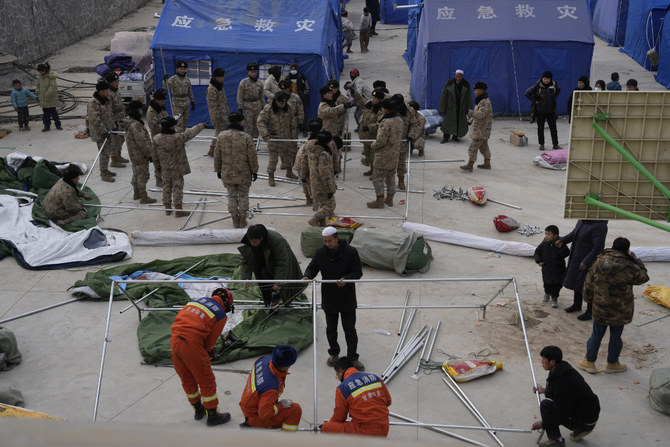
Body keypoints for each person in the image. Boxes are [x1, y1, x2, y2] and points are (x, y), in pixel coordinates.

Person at [577, 238, 649, 375]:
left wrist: (588, 299)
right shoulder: (629, 266)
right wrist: (637, 261)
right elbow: (643, 277)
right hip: (621, 309)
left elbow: (589, 282)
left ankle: (589, 362)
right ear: (627, 250)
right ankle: (612, 363)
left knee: (596, 335)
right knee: (616, 337)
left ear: (612, 247)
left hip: (600, 306)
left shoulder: (599, 262)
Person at [170, 288, 234, 426]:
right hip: (192, 344)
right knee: (206, 380)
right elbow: (210, 343)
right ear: (227, 304)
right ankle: (212, 415)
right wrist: (210, 350)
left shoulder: (194, 301)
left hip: (175, 341)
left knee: (187, 378)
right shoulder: (220, 314)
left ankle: (198, 410)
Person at [303, 226, 364, 368]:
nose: (327, 244)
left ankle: (352, 357)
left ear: (337, 238)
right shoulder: (320, 253)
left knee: (350, 329)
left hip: (346, 296)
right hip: (329, 297)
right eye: (324, 241)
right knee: (331, 328)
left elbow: (357, 272)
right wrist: (307, 275)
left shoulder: (350, 252)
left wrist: (346, 279)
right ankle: (334, 353)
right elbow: (313, 267)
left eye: (330, 241)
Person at [531, 346, 600, 447]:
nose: (541, 361)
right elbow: (560, 395)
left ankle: (556, 440)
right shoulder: (563, 369)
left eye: (544, 359)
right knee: (553, 406)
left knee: (546, 406)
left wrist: (543, 424)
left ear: (552, 362)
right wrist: (544, 391)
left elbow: (561, 414)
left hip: (585, 419)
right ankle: (582, 429)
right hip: (590, 414)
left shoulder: (562, 382)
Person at [237, 224, 304, 308]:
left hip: (277, 263)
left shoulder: (276, 241)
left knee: (267, 276)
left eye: (254, 242)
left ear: (261, 238)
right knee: (262, 277)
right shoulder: (250, 240)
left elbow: (282, 263)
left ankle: (275, 296)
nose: (252, 244)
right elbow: (246, 260)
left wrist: (278, 283)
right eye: (250, 241)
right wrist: (246, 277)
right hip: (263, 262)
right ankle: (268, 299)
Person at [321, 357, 391, 436]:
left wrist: (329, 423)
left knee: (327, 427)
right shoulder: (375, 378)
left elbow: (339, 418)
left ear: (340, 371)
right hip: (384, 428)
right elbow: (388, 401)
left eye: (337, 375)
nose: (338, 378)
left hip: (364, 432)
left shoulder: (343, 388)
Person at [239, 345, 302, 431]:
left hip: (249, 406)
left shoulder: (263, 360)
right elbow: (264, 414)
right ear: (284, 367)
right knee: (295, 410)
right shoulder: (271, 388)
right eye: (289, 365)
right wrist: (280, 405)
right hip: (255, 417)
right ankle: (285, 441)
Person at [556, 220, 608, 320]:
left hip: (586, 260)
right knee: (577, 282)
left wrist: (587, 262)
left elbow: (598, 247)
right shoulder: (583, 221)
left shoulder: (600, 225)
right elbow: (574, 233)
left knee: (588, 286)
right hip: (577, 257)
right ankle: (577, 304)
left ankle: (589, 311)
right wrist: (563, 240)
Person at [153, 116, 205, 217]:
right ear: (171, 127)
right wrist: (201, 125)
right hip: (177, 168)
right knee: (177, 188)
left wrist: (157, 166)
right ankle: (179, 210)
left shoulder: (157, 138)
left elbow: (154, 154)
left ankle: (167, 208)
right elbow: (190, 133)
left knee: (166, 187)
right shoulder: (177, 138)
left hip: (165, 168)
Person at [213, 112, 258, 228]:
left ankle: (234, 219)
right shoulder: (246, 137)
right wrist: (254, 170)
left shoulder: (221, 136)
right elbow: (252, 156)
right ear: (241, 122)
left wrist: (217, 169)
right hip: (244, 173)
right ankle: (242, 219)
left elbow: (217, 154)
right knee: (243, 196)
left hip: (227, 172)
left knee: (231, 196)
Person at [368, 98, 403, 208]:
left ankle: (379, 200)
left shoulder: (386, 122)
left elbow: (381, 140)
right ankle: (389, 199)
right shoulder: (399, 120)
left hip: (383, 154)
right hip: (395, 153)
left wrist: (373, 146)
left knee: (377, 177)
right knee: (391, 177)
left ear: (386, 110)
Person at [257, 91, 298, 185]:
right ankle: (271, 176)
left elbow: (292, 123)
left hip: (286, 137)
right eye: (280, 103)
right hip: (273, 138)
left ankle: (289, 172)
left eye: (284, 102)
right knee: (273, 159)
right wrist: (265, 134)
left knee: (289, 156)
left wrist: (293, 137)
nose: (282, 105)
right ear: (276, 101)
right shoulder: (268, 109)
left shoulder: (289, 107)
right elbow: (261, 122)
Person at [123, 100, 157, 204]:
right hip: (140, 155)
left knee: (136, 173)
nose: (142, 111)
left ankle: (136, 192)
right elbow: (142, 142)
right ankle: (143, 196)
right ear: (137, 110)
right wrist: (150, 154)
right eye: (141, 109)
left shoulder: (129, 121)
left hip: (134, 154)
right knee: (143, 175)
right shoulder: (136, 126)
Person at [305, 131, 337, 227]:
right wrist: (330, 189)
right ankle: (314, 219)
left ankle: (322, 224)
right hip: (322, 185)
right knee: (330, 206)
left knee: (322, 205)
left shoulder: (312, 149)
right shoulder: (323, 155)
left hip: (314, 182)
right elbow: (325, 174)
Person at [534, 225, 570, 308]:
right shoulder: (544, 244)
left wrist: (560, 248)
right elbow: (537, 252)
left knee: (557, 285)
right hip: (547, 269)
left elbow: (566, 253)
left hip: (558, 270)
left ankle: (554, 298)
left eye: (549, 234)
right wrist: (539, 260)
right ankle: (547, 293)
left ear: (555, 235)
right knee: (547, 284)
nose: (546, 236)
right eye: (545, 234)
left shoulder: (560, 243)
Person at [87, 80, 115, 182]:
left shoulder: (105, 99)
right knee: (104, 153)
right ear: (101, 91)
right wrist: (104, 131)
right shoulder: (93, 103)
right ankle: (103, 173)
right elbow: (95, 119)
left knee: (107, 152)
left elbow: (109, 114)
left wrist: (113, 126)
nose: (108, 91)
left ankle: (106, 169)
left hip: (108, 130)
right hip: (100, 133)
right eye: (106, 89)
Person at [461, 81, 493, 171]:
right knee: (483, 146)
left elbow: (481, 115)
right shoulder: (481, 100)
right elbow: (478, 114)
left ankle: (470, 165)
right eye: (475, 90)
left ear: (482, 90)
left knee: (472, 147)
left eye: (477, 90)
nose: (475, 92)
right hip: (481, 128)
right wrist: (470, 121)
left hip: (481, 130)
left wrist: (469, 112)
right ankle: (487, 163)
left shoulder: (484, 102)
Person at [525, 71, 561, 150]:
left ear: (550, 79)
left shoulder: (554, 86)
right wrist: (535, 101)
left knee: (553, 128)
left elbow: (558, 92)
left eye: (547, 79)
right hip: (540, 111)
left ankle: (555, 144)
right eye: (544, 78)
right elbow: (527, 93)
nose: (545, 80)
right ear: (542, 78)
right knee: (540, 128)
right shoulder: (538, 86)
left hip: (551, 111)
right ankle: (541, 144)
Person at [439, 69, 472, 143]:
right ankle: (446, 137)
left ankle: (455, 136)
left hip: (460, 108)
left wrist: (468, 108)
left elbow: (469, 98)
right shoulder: (449, 84)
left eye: (460, 76)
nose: (458, 78)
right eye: (457, 76)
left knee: (459, 122)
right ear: (455, 76)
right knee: (447, 122)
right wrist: (443, 109)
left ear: (462, 77)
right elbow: (444, 97)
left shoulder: (466, 85)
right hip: (450, 107)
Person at [296, 118, 324, 206]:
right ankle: (315, 201)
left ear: (309, 131)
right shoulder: (323, 142)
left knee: (306, 183)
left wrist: (303, 175)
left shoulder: (306, 145)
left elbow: (302, 160)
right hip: (315, 168)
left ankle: (309, 198)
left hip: (305, 166)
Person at [279, 80, 305, 168]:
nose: (283, 91)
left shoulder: (295, 97)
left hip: (294, 122)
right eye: (281, 90)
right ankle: (284, 162)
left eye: (285, 89)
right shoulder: (277, 98)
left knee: (293, 142)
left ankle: (294, 160)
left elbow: (300, 110)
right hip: (282, 123)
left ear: (288, 88)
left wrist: (301, 121)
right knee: (282, 143)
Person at [106, 72, 129, 168]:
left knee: (120, 139)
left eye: (118, 81)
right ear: (110, 83)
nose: (117, 83)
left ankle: (119, 156)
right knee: (114, 141)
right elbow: (108, 109)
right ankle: (114, 160)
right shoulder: (109, 94)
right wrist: (112, 122)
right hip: (115, 120)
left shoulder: (116, 91)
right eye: (115, 82)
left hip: (121, 118)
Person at [163, 60, 194, 132]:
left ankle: (182, 137)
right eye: (181, 69)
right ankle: (178, 138)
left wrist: (192, 101)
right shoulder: (173, 79)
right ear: (177, 69)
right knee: (178, 122)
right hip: (177, 104)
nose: (182, 70)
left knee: (185, 121)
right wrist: (165, 80)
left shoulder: (187, 80)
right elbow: (166, 86)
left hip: (186, 103)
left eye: (184, 69)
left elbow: (190, 91)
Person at [146, 89, 169, 187]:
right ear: (156, 100)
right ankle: (158, 180)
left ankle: (166, 177)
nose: (163, 102)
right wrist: (167, 126)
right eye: (161, 100)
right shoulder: (151, 111)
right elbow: (154, 127)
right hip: (158, 138)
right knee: (158, 160)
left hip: (166, 136)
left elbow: (166, 117)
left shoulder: (161, 107)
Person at [359, 89, 384, 174]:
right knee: (367, 153)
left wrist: (369, 127)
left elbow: (380, 124)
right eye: (372, 97)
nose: (373, 100)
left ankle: (375, 171)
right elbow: (360, 100)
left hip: (374, 136)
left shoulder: (381, 110)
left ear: (380, 100)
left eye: (375, 99)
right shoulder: (368, 106)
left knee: (374, 155)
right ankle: (371, 169)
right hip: (366, 136)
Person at [206, 68, 230, 157]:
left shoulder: (219, 86)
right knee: (219, 132)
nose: (223, 78)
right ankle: (214, 149)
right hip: (218, 115)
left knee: (220, 132)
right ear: (217, 77)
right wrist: (216, 118)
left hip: (223, 114)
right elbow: (212, 106)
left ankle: (214, 149)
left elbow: (224, 101)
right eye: (221, 76)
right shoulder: (212, 89)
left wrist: (227, 112)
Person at [237, 62, 265, 138]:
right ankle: (247, 145)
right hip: (247, 108)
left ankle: (254, 145)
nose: (253, 73)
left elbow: (261, 96)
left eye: (255, 71)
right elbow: (240, 96)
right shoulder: (244, 82)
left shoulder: (259, 83)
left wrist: (263, 106)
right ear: (248, 72)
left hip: (257, 107)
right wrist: (240, 108)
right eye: (251, 72)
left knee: (256, 127)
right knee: (248, 128)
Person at [35, 62, 62, 132]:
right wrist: (37, 91)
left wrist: (46, 94)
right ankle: (47, 126)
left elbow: (53, 88)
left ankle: (58, 125)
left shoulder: (51, 77)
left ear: (45, 70)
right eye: (39, 71)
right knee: (46, 115)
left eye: (41, 71)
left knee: (54, 114)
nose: (41, 73)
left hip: (50, 100)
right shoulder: (40, 77)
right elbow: (37, 85)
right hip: (44, 100)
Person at [283, 63, 310, 132]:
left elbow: (307, 87)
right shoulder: (287, 78)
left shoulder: (301, 77)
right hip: (290, 99)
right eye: (292, 69)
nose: (293, 71)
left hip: (301, 98)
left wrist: (303, 95)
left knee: (302, 113)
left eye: (294, 69)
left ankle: (304, 129)